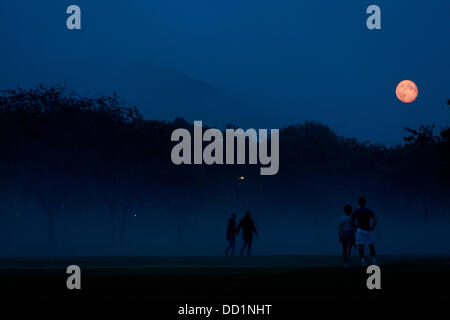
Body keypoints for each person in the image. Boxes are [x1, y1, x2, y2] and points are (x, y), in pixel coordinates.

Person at [351, 197, 378, 266]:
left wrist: (355, 228)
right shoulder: (368, 210)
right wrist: (372, 227)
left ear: (358, 203)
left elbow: (352, 221)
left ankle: (363, 262)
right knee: (371, 245)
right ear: (365, 202)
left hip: (360, 229)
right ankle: (374, 261)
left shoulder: (356, 211)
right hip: (367, 229)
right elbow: (375, 219)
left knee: (360, 245)